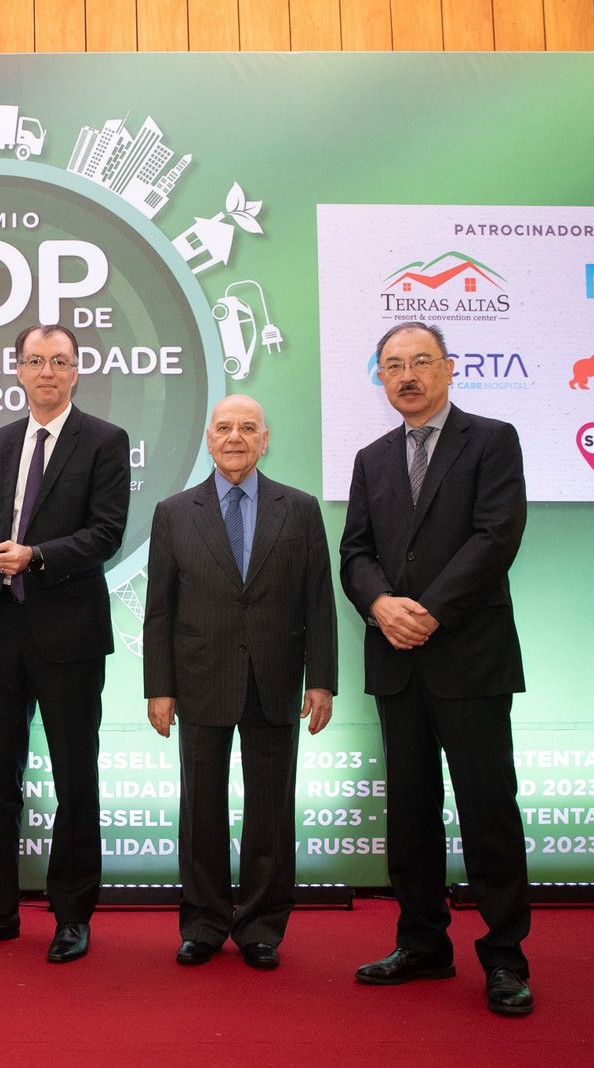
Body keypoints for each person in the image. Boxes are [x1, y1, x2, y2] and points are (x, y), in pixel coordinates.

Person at [339, 321, 534, 1016]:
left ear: (450, 369)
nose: (407, 376)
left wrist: (429, 611)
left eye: (421, 361)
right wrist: (379, 604)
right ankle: (422, 942)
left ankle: (506, 957)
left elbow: (496, 536)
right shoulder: (372, 458)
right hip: (397, 659)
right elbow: (355, 552)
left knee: (487, 811)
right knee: (411, 812)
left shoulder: (492, 440)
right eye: (393, 365)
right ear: (381, 377)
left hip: (469, 657)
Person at [0, 323, 131, 964]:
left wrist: (36, 556)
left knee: (75, 777)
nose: (46, 371)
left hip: (69, 633)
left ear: (76, 371)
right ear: (19, 370)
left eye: (59, 361)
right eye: (35, 360)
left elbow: (107, 533)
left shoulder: (105, 440)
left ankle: (72, 914)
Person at [143, 394, 336, 969]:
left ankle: (261, 927)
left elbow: (319, 600)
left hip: (276, 678)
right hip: (200, 678)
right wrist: (159, 687)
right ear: (209, 438)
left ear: (265, 440)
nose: (235, 437)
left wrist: (322, 679)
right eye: (224, 427)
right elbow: (159, 609)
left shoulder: (299, 508)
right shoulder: (175, 511)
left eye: (248, 428)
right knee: (201, 807)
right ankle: (203, 923)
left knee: (271, 809)